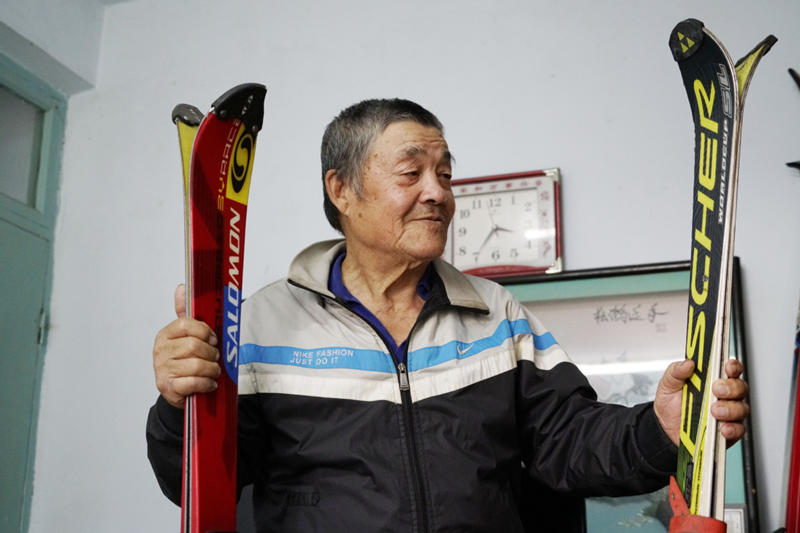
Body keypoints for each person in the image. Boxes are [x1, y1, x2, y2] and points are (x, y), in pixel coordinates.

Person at [147, 98, 749, 532]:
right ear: (341, 189)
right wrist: (181, 406)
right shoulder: (263, 325)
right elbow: (201, 482)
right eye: (411, 173)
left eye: (444, 174)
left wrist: (662, 429)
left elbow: (569, 443)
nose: (437, 192)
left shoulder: (497, 314)